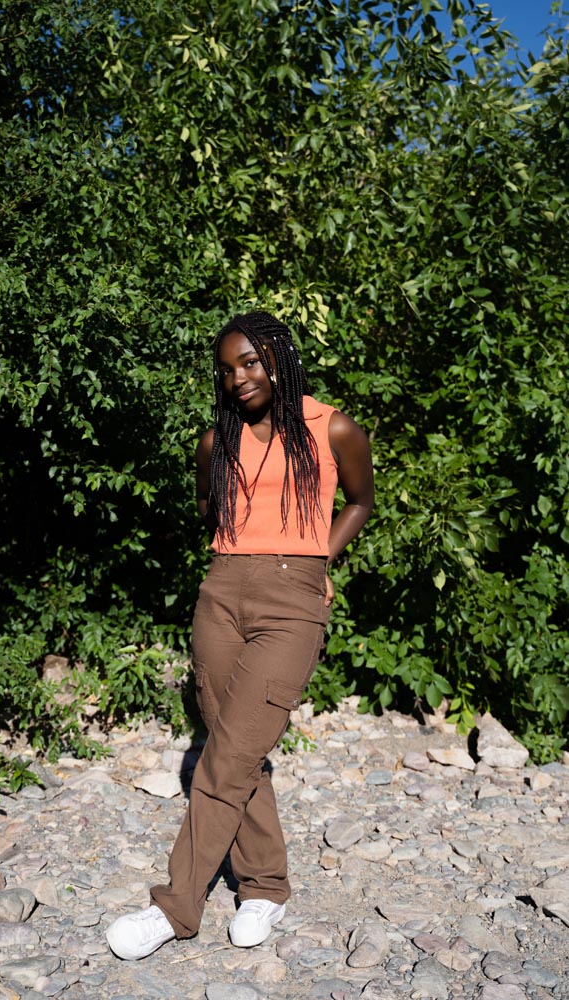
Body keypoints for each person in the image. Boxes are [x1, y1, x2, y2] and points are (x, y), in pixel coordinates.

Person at [106, 310, 374, 960]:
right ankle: (265, 887)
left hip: (292, 600)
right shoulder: (215, 442)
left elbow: (360, 501)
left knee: (226, 757)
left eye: (250, 362)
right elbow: (209, 506)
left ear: (279, 357)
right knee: (234, 746)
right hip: (221, 593)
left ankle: (175, 908)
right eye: (227, 370)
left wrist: (318, 560)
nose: (238, 378)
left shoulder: (332, 427)